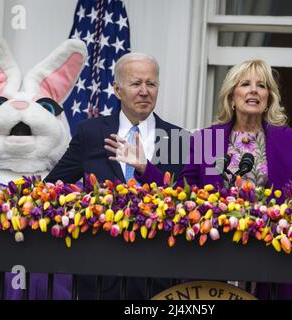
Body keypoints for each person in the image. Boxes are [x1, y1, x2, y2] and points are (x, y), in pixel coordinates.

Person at [105, 59, 292, 299]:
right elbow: (183, 195)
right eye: (245, 84)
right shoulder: (207, 139)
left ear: (268, 98)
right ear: (232, 95)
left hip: (274, 264)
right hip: (214, 259)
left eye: (261, 85)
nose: (254, 90)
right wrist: (145, 168)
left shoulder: (291, 140)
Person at [45, 52, 188, 299]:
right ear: (117, 89)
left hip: (155, 279)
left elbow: (183, 201)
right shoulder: (90, 133)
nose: (144, 91)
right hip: (99, 277)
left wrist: (146, 169)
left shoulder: (176, 138)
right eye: (136, 83)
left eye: (151, 84)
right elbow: (53, 187)